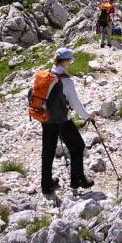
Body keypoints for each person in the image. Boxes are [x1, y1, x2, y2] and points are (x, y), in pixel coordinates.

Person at [41, 48, 96, 195]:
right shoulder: (66, 81)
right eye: (70, 60)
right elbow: (76, 104)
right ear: (64, 61)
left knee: (48, 151)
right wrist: (88, 116)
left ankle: (46, 185)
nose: (70, 63)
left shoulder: (47, 74)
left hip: (46, 118)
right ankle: (78, 180)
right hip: (62, 120)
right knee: (78, 146)